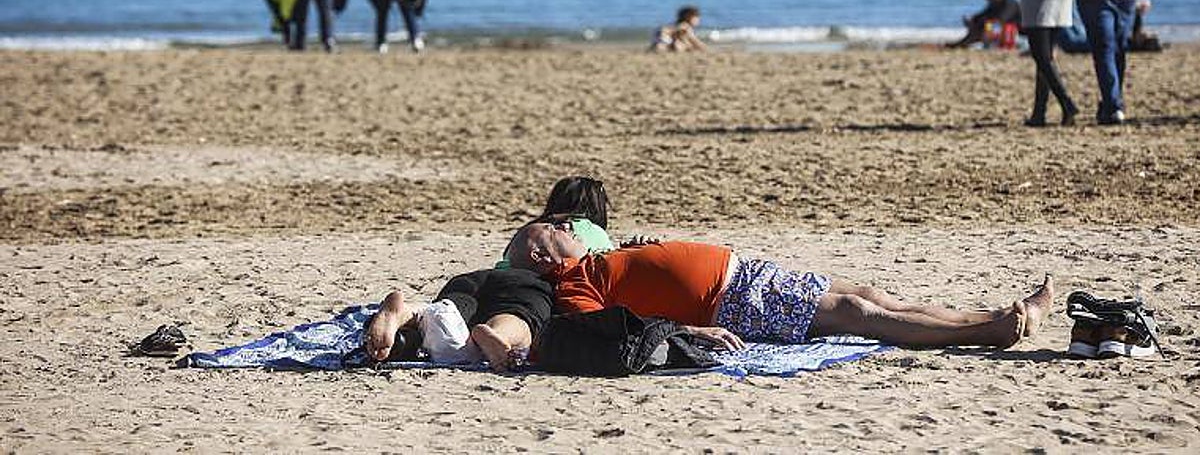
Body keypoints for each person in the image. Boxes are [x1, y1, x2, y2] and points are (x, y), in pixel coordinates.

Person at [506, 222, 1053, 351]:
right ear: (540, 253)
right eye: (555, 229)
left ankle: (987, 316)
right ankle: (991, 330)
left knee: (876, 297)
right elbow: (608, 330)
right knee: (861, 314)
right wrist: (693, 331)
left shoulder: (601, 256)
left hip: (745, 272)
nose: (566, 227)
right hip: (734, 300)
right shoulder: (573, 287)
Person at [364, 176, 629, 371]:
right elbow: (605, 265)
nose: (566, 229)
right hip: (528, 284)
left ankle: (405, 314)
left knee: (446, 312)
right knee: (521, 316)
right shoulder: (585, 230)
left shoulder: (534, 228)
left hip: (477, 278)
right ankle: (499, 334)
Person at [944, 0, 1022, 49]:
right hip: (1000, 28)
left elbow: (1001, 19)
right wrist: (973, 19)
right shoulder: (995, 2)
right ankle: (963, 43)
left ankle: (982, 43)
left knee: (988, 25)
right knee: (982, 24)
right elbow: (985, 13)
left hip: (1013, 30)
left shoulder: (1009, 3)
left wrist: (982, 23)